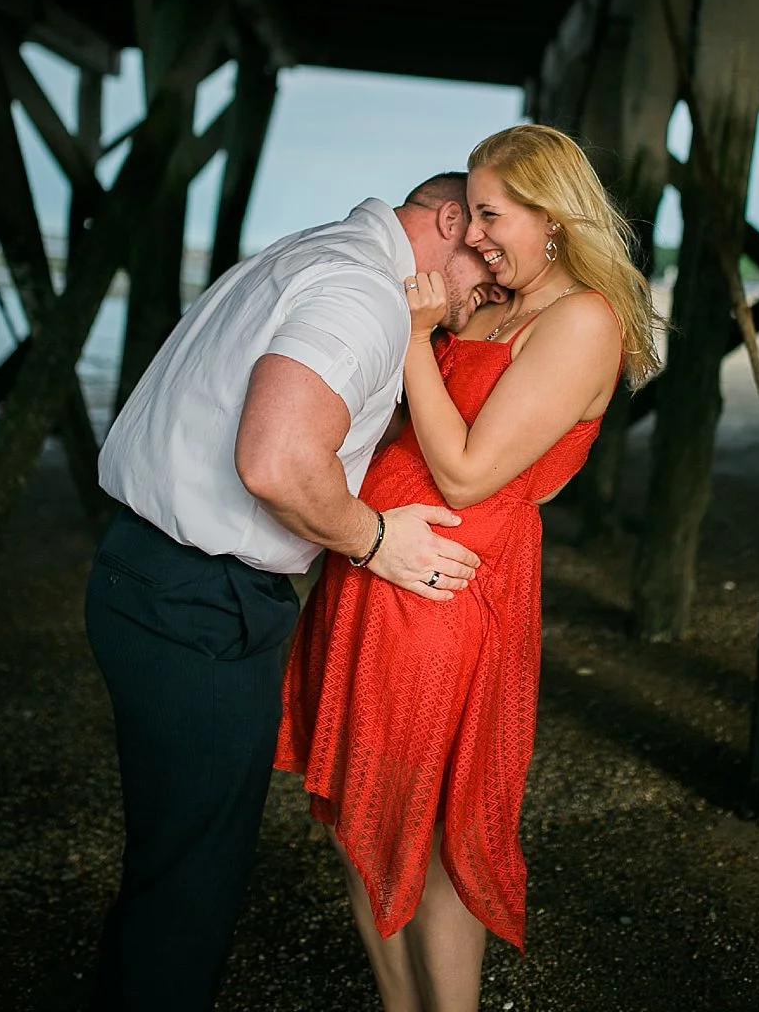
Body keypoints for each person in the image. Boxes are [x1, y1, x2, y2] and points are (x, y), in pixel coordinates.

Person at [85, 175, 503, 1011]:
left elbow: (326, 423)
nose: (492, 287)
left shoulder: (311, 253)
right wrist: (374, 539)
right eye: (486, 264)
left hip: (147, 572)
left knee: (173, 861)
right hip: (200, 599)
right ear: (449, 220)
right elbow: (276, 462)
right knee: (190, 884)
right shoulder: (360, 294)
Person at [275, 125, 660, 1012]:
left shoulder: (582, 320)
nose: (474, 234)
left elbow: (469, 471)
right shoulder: (490, 305)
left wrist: (412, 338)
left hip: (445, 592)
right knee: (355, 815)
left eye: (490, 214)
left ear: (552, 214)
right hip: (373, 570)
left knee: (440, 830)